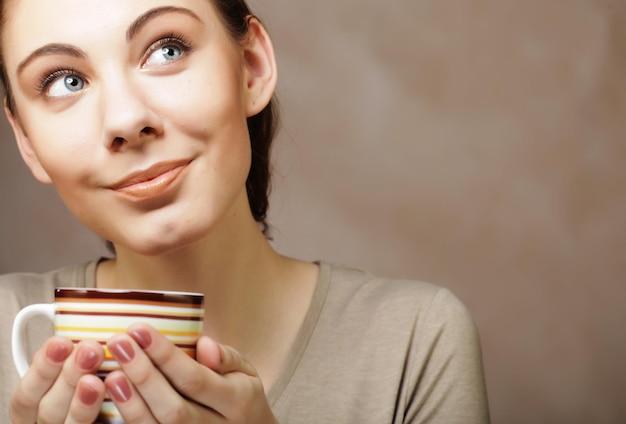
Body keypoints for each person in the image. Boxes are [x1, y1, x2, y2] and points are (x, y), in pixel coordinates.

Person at [0, 0, 490, 422]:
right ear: (26, 139)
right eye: (64, 82)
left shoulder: (415, 341)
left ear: (251, 66)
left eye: (166, 49)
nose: (126, 120)